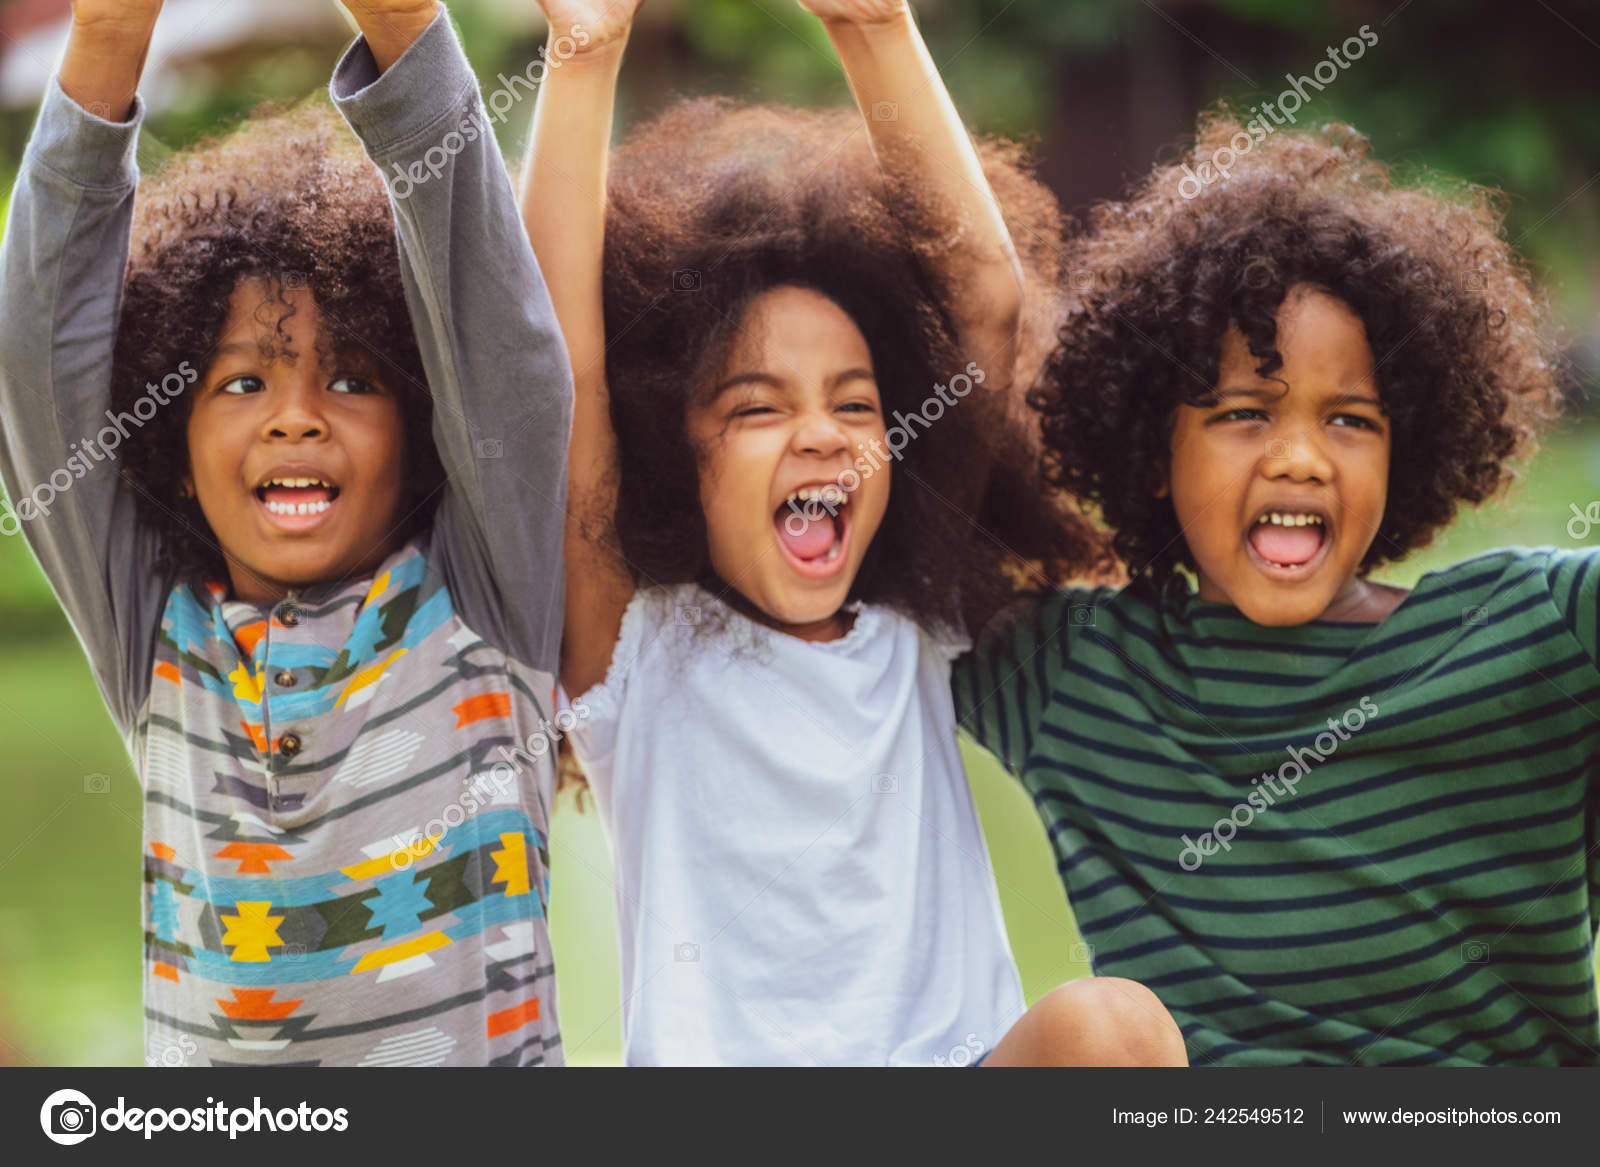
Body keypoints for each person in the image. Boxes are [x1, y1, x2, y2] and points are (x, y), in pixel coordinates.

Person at [519, 0, 1186, 1066]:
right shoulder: (640, 653)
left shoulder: (909, 622)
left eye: (857, 403)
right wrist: (584, 51)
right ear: (670, 458)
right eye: (757, 406)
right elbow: (562, 366)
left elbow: (984, 303)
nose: (821, 434)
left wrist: (871, 24)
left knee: (1112, 1027)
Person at [0, 0, 572, 1066]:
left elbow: (510, 360)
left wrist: (404, 24)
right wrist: (112, 32)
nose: (296, 414)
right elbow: (36, 364)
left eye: (352, 378)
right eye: (244, 380)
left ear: (425, 427)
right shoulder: (157, 636)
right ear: (171, 444)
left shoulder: (481, 598)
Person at [954, 111, 1591, 1065]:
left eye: (1351, 419)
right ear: (1156, 451)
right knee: (1094, 1028)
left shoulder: (1544, 631)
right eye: (1244, 412)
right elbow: (970, 322)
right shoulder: (1075, 671)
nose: (1299, 456)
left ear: (1406, 448)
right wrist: (877, 28)